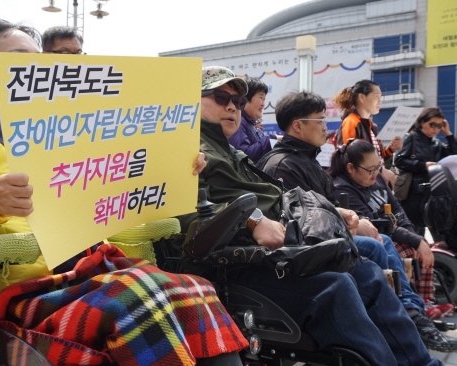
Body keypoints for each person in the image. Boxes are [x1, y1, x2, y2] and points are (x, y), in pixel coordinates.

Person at [0, 19, 245, 366]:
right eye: (20, 61)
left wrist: (172, 169)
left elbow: (112, 204)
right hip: (20, 290)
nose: (39, 69)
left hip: (94, 270)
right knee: (134, 297)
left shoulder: (83, 123)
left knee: (193, 290)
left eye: (42, 60)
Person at [179, 65, 445, 365]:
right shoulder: (183, 150)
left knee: (365, 270)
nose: (232, 106)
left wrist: (329, 214)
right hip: (233, 264)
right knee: (336, 284)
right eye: (219, 96)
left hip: (276, 249)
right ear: (190, 101)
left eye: (239, 101)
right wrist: (251, 219)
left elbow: (279, 201)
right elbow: (182, 216)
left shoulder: (228, 150)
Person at [255, 91, 456, 351]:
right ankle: (403, 319)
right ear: (298, 125)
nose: (326, 127)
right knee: (375, 244)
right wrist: (347, 220)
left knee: (380, 240)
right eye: (320, 120)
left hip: (328, 238)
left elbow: (325, 209)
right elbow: (300, 221)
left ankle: (407, 316)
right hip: (307, 251)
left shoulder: (307, 160)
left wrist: (346, 219)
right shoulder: (283, 165)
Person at [328, 139, 452, 318]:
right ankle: (410, 306)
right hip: (378, 236)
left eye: (378, 167)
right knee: (409, 246)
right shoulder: (341, 188)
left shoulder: (376, 177)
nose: (376, 173)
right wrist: (414, 240)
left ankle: (424, 301)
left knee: (420, 244)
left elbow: (397, 210)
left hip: (390, 233)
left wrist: (414, 236)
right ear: (350, 168)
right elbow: (376, 227)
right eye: (370, 169)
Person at [394, 107, 457, 236]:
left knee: (432, 227)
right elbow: (399, 161)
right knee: (412, 231)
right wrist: (423, 166)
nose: (436, 128)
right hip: (412, 193)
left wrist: (448, 134)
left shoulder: (437, 143)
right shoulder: (411, 138)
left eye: (440, 125)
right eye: (433, 124)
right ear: (422, 122)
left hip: (432, 192)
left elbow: (453, 156)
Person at [332, 80, 402, 188]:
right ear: (362, 97)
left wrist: (391, 149)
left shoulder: (370, 125)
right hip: (359, 186)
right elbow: (351, 157)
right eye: (377, 96)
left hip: (372, 182)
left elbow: (376, 156)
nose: (380, 101)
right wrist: (381, 170)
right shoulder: (351, 122)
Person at [228, 77, 276, 162]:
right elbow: (243, 155)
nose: (263, 104)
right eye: (261, 98)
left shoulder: (248, 122)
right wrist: (271, 139)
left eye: (264, 99)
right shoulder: (239, 122)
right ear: (245, 99)